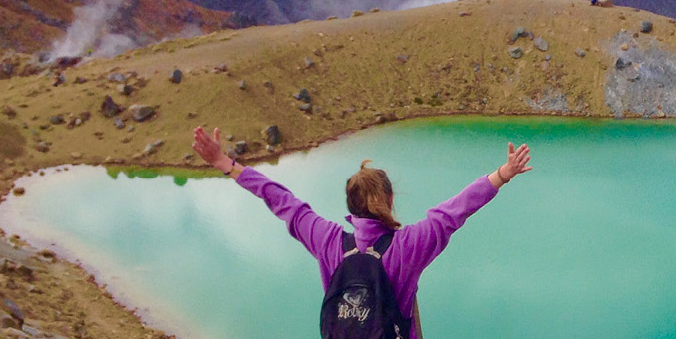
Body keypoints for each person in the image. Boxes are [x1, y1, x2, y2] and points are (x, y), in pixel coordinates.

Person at [190, 126, 534, 338]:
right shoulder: (408, 246)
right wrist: (503, 174)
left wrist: (225, 163)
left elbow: (284, 202)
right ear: (390, 199)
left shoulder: (328, 241)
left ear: (350, 205)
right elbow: (453, 213)